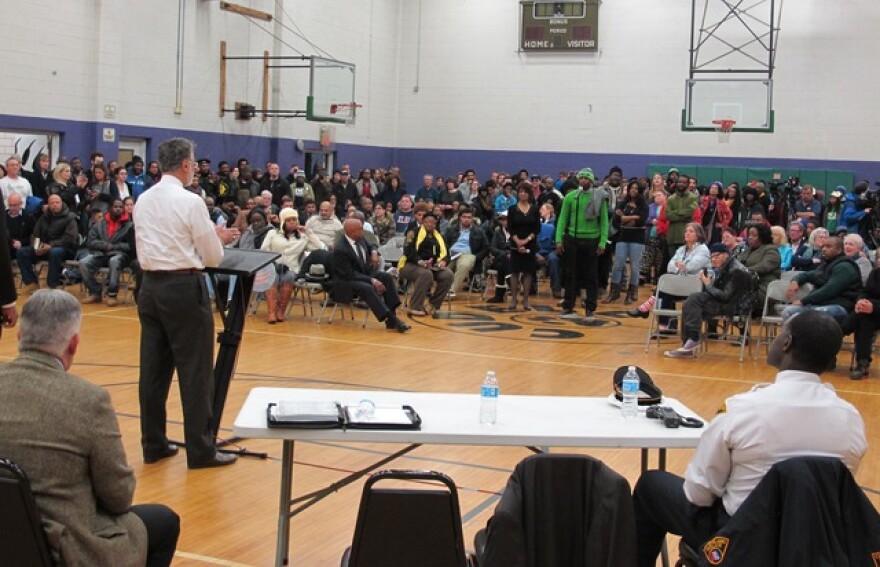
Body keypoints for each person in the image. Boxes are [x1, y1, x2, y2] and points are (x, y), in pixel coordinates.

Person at [633, 310, 867, 566]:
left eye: (780, 334)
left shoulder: (743, 409)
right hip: (818, 542)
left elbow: (698, 494)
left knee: (650, 485)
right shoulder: (850, 418)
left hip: (742, 540)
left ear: (787, 343)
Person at [0, 290, 180, 566]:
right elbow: (119, 497)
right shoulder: (88, 400)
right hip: (61, 549)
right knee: (163, 521)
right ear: (73, 344)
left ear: (19, 336)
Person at [134, 137, 240, 469]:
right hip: (183, 287)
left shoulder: (143, 199)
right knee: (195, 372)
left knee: (153, 371)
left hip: (150, 287)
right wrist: (216, 238)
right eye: (193, 163)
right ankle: (201, 450)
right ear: (184, 165)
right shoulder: (191, 201)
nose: (194, 168)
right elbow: (212, 257)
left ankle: (153, 444)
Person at [663, 243, 755, 358]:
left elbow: (725, 296)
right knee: (690, 302)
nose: (713, 259)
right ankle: (689, 343)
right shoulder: (726, 266)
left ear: (726, 255)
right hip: (726, 302)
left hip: (735, 307)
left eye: (716, 256)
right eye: (711, 257)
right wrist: (709, 283)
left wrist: (708, 285)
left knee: (692, 304)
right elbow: (720, 292)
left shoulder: (736, 270)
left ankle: (691, 341)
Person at [333, 218, 410, 332]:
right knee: (368, 288)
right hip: (346, 281)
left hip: (363, 274)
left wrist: (374, 252)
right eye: (360, 228)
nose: (363, 230)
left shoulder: (360, 238)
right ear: (352, 231)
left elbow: (372, 245)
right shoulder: (341, 249)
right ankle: (392, 319)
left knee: (386, 277)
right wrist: (372, 280)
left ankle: (392, 316)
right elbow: (349, 274)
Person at [555, 168, 608, 322]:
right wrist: (558, 239)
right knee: (570, 274)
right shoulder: (571, 197)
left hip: (592, 240)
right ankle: (568, 306)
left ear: (591, 181)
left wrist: (602, 241)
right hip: (572, 239)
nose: (584, 180)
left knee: (591, 276)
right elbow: (562, 219)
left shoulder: (599, 197)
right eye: (582, 178)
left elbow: (604, 221)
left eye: (587, 178)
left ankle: (590, 308)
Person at [260, 208, 326, 324]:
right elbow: (264, 251)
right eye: (289, 220)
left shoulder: (303, 237)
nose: (292, 222)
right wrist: (273, 263)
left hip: (291, 268)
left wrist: (309, 232)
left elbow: (320, 248)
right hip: (272, 266)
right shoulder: (272, 233)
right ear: (283, 222)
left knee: (289, 276)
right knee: (273, 277)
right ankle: (271, 312)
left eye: (294, 220)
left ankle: (281, 311)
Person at [782, 235, 861, 325]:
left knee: (811, 316)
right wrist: (795, 281)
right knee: (788, 312)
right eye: (823, 246)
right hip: (820, 304)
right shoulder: (826, 264)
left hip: (840, 306)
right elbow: (809, 275)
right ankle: (799, 334)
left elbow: (829, 290)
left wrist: (803, 301)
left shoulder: (845, 266)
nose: (824, 249)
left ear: (839, 250)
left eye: (828, 247)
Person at [17, 193, 78, 292]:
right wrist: (37, 246)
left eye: (57, 202)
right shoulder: (44, 218)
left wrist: (50, 246)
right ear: (48, 205)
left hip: (65, 249)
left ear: (61, 203)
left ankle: (52, 285)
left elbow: (70, 239)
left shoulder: (70, 218)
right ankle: (31, 282)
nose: (55, 205)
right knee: (22, 252)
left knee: (55, 252)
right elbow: (35, 234)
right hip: (44, 247)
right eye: (52, 203)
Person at [79, 198, 135, 306]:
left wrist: (115, 246)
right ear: (109, 208)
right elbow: (91, 241)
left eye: (120, 207)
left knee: (114, 261)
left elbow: (132, 245)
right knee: (83, 263)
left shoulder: (129, 225)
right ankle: (95, 292)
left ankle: (112, 294)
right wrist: (104, 245)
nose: (118, 209)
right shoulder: (100, 224)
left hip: (120, 255)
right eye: (115, 207)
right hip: (101, 253)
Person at [399, 212, 454, 316]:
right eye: (428, 222)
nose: (430, 224)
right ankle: (415, 306)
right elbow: (408, 250)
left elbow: (447, 253)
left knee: (448, 275)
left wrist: (443, 261)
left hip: (432, 266)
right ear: (423, 222)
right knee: (426, 274)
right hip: (411, 264)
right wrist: (420, 261)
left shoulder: (439, 236)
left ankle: (433, 304)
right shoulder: (413, 233)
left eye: (433, 223)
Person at [607, 180, 648, 305]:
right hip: (623, 237)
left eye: (636, 188)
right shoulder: (622, 203)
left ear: (640, 191)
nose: (633, 190)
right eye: (631, 188)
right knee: (617, 264)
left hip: (637, 238)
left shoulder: (643, 205)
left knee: (634, 266)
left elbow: (642, 221)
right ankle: (614, 292)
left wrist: (624, 217)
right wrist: (633, 218)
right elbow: (616, 221)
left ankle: (632, 293)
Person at [841, 264, 880, 380]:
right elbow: (865, 292)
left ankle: (836, 335)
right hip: (873, 314)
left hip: (875, 310)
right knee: (864, 320)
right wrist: (861, 302)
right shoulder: (876, 273)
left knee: (862, 316)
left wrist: (873, 306)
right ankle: (863, 363)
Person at [506, 182, 541, 311]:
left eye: (525, 191)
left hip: (530, 243)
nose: (523, 194)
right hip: (515, 243)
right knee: (514, 271)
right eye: (520, 191)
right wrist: (518, 241)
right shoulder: (512, 209)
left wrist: (526, 240)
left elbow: (537, 228)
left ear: (529, 194)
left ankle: (525, 300)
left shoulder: (535, 209)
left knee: (528, 272)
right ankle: (514, 299)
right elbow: (510, 227)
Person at [443, 205, 489, 296]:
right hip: (452, 253)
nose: (466, 219)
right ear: (460, 218)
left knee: (464, 265)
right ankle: (441, 291)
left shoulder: (479, 231)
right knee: (445, 269)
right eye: (464, 217)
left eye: (469, 217)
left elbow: (486, 247)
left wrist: (476, 257)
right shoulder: (451, 230)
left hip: (468, 254)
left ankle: (451, 290)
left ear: (472, 219)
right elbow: (443, 243)